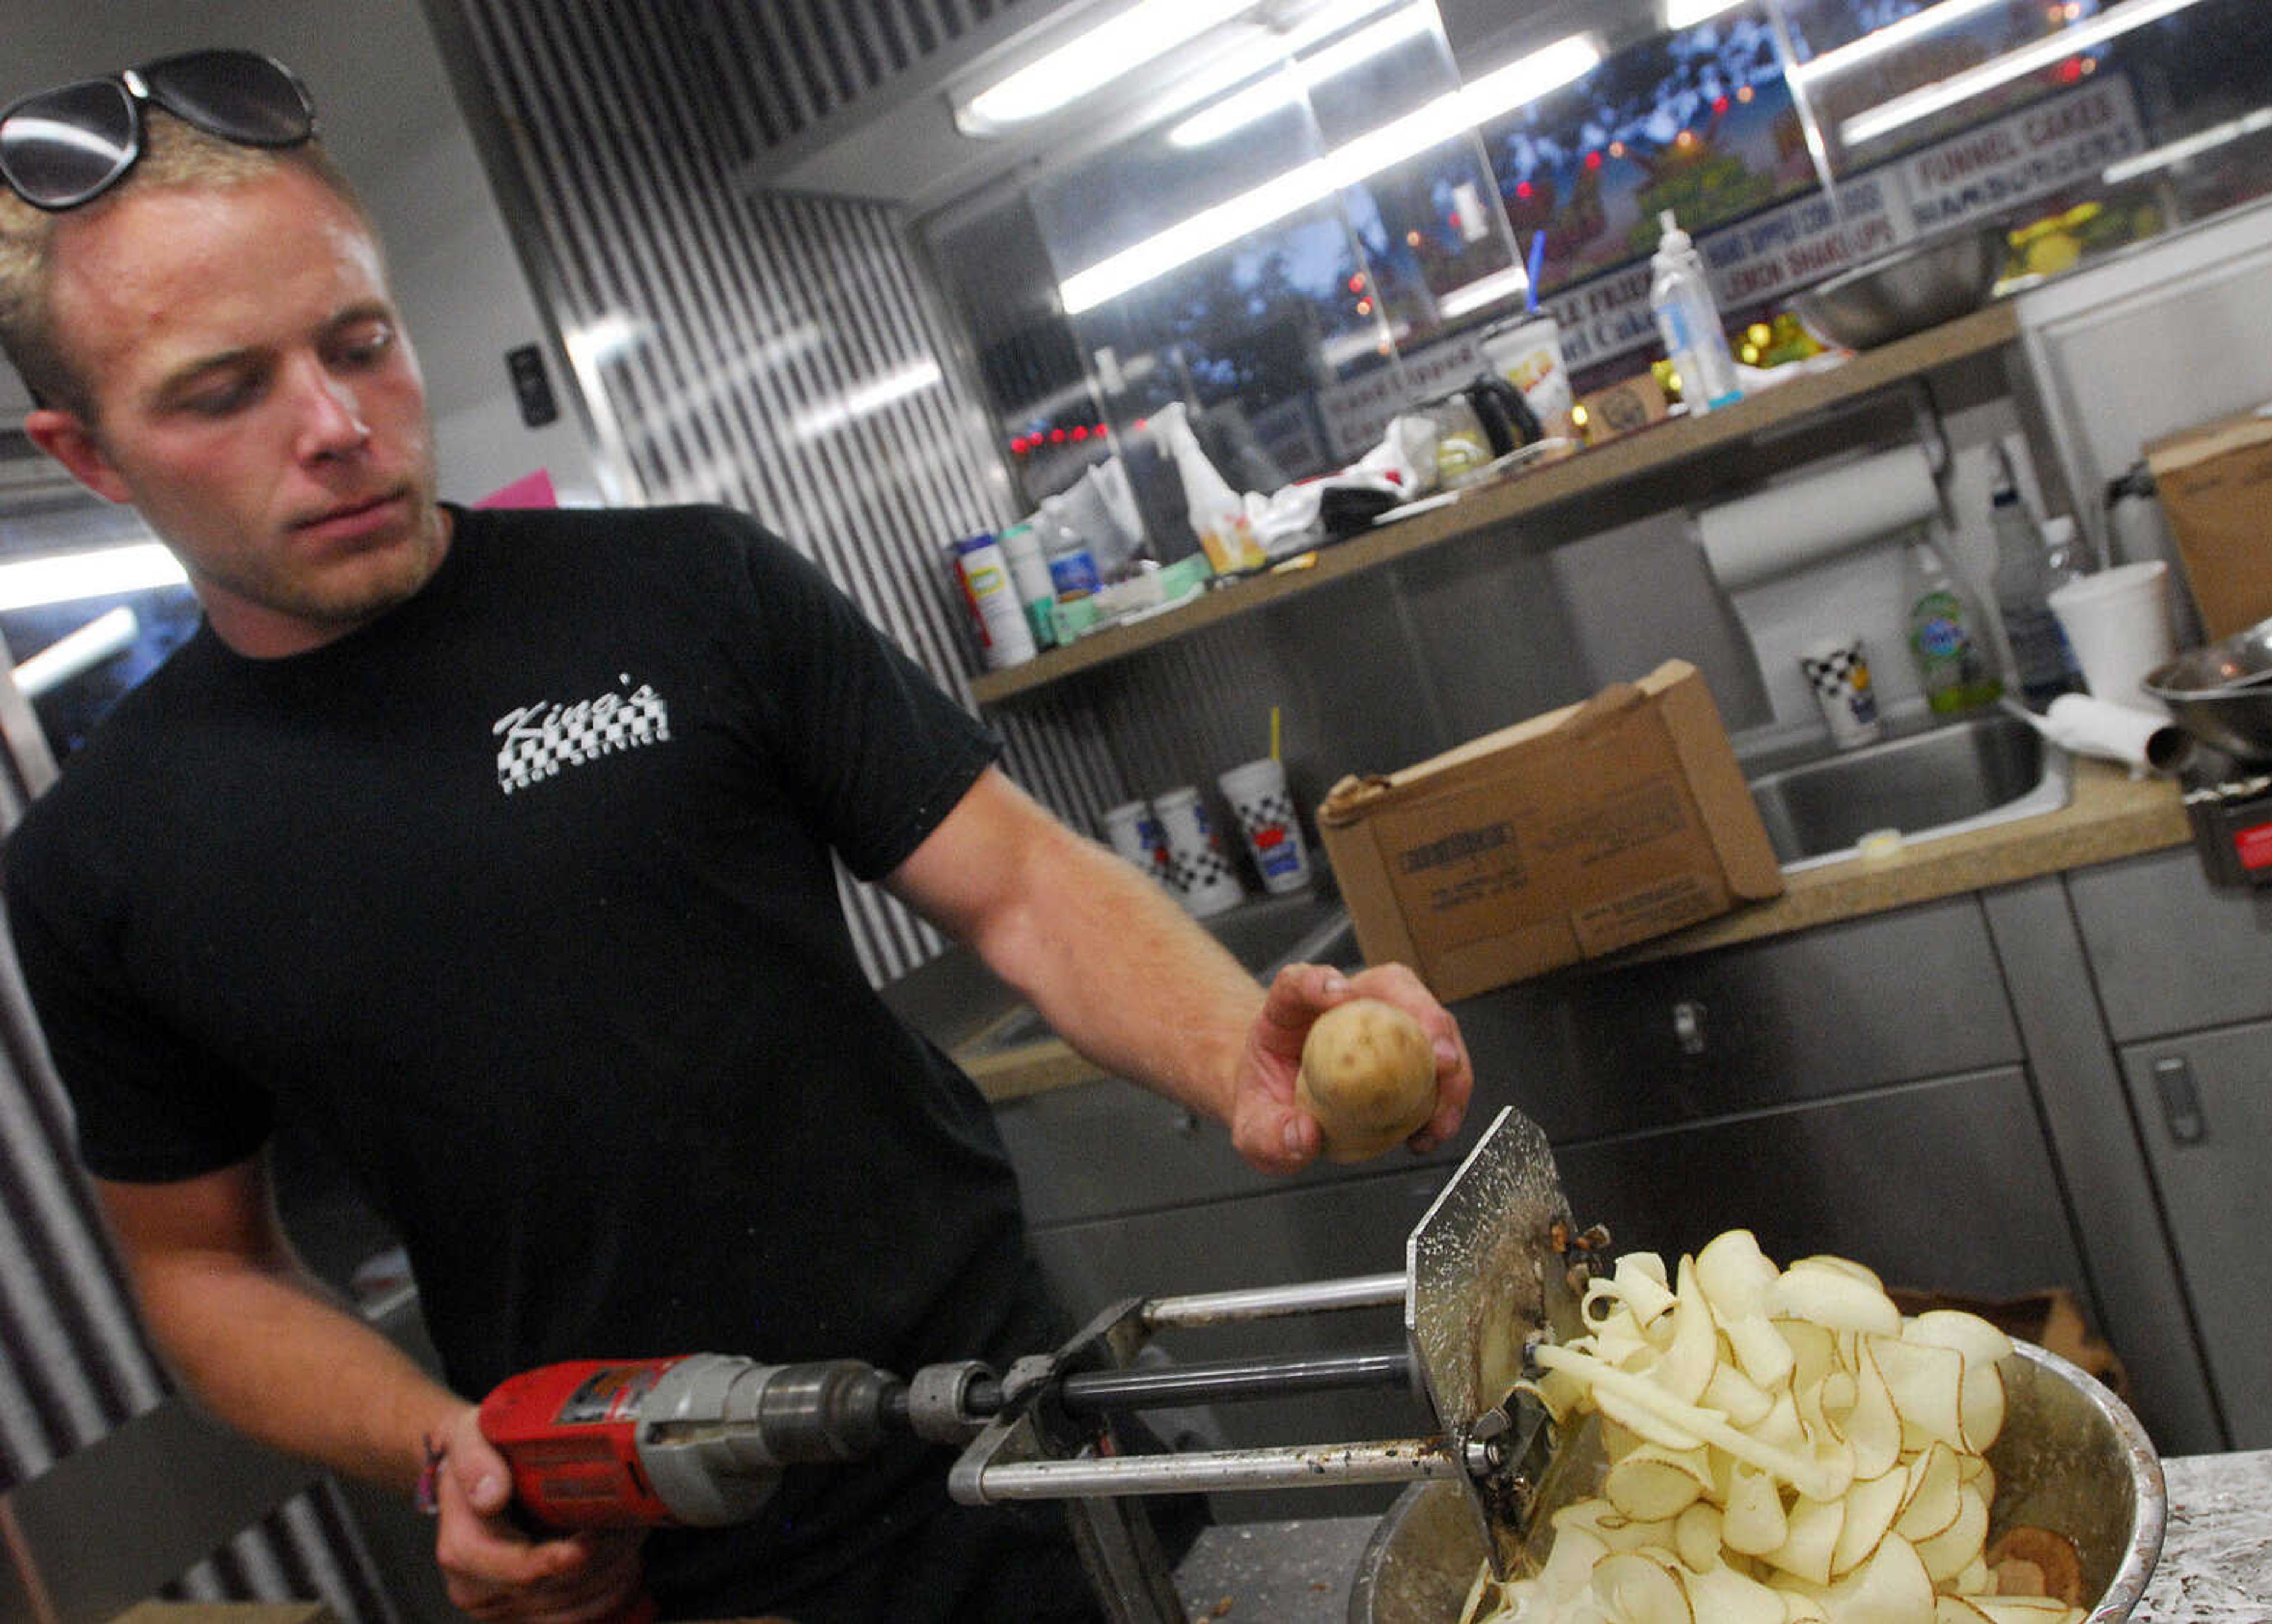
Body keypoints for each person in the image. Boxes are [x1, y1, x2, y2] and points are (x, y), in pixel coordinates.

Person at [0, 50, 1475, 1624]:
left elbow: (1025, 885)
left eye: (360, 342)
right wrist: (447, 1449)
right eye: (225, 391)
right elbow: (202, 1270)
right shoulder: (105, 857)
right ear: (85, 453)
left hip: (1017, 1450)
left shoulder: (691, 588)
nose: (337, 423)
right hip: (642, 1556)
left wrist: (1237, 1038)